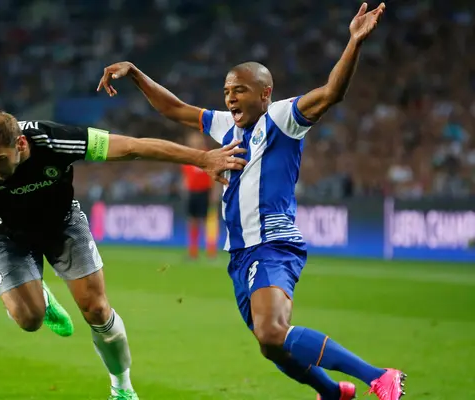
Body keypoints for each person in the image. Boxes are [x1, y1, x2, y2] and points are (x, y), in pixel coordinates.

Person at [96, 3, 406, 400]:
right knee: (270, 344)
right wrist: (137, 74)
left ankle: (379, 375)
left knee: (272, 331)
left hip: (272, 243)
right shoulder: (226, 126)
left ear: (265, 92)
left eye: (238, 90)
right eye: (226, 92)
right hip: (241, 252)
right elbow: (173, 109)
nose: (229, 99)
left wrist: (353, 43)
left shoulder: (282, 118)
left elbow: (332, 92)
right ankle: (332, 392)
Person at [0, 109, 247, 400]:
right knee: (29, 319)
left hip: (62, 225)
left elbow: (131, 147)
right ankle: (42, 298)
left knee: (97, 310)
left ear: (20, 144)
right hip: (6, 237)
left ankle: (122, 387)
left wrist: (201, 158)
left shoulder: (56, 140)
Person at [181, 132, 221, 259]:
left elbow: (214, 175)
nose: (194, 143)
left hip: (206, 192)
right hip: (193, 193)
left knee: (208, 222)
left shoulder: (208, 156)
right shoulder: (187, 157)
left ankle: (211, 251)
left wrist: (215, 192)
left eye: (196, 140)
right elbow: (186, 176)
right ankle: (193, 251)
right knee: (192, 222)